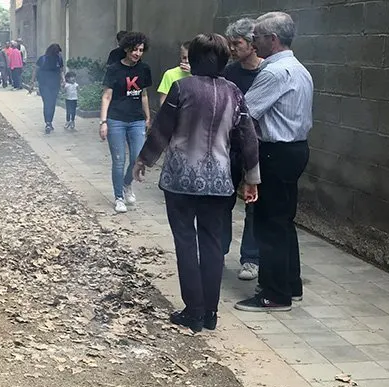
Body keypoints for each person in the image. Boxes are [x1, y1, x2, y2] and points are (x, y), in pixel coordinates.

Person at [133, 33, 260, 333]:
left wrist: (143, 160)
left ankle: (194, 311)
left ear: (195, 58)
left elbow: (162, 129)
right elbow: (248, 137)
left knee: (186, 243)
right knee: (213, 244)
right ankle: (211, 313)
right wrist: (252, 179)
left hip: (180, 181)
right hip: (218, 181)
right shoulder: (234, 92)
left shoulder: (182, 88)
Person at [234, 11, 313, 313]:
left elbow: (246, 113)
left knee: (268, 224)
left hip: (275, 152)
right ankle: (290, 283)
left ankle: (274, 294)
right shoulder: (298, 68)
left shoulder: (273, 72)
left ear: (273, 40)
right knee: (283, 220)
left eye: (256, 38)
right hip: (295, 150)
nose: (253, 43)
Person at [223, 18, 263, 281]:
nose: (232, 48)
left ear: (252, 43)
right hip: (230, 148)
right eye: (230, 43)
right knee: (222, 200)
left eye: (236, 43)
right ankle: (218, 248)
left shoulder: (268, 73)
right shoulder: (229, 73)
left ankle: (251, 258)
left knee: (254, 205)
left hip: (259, 150)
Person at [99, 31, 152, 213]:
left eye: (141, 50)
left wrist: (147, 117)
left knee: (138, 157)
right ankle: (119, 197)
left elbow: (144, 94)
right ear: (126, 49)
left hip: (137, 120)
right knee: (119, 160)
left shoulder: (144, 69)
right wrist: (103, 122)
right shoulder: (114, 69)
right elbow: (106, 96)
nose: (137, 53)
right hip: (116, 120)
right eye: (134, 50)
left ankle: (126, 184)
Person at [31, 43, 64, 134]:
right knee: (48, 103)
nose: (59, 54)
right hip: (44, 84)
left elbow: (61, 71)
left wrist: (63, 80)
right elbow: (36, 70)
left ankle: (49, 121)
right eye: (57, 52)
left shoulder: (58, 59)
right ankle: (48, 122)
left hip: (54, 84)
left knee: (51, 103)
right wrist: (32, 82)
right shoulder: (43, 59)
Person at [157, 41, 191, 106]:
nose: (187, 61)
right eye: (184, 58)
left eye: (190, 57)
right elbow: (163, 101)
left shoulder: (201, 75)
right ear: (180, 56)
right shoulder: (170, 74)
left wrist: (193, 72)